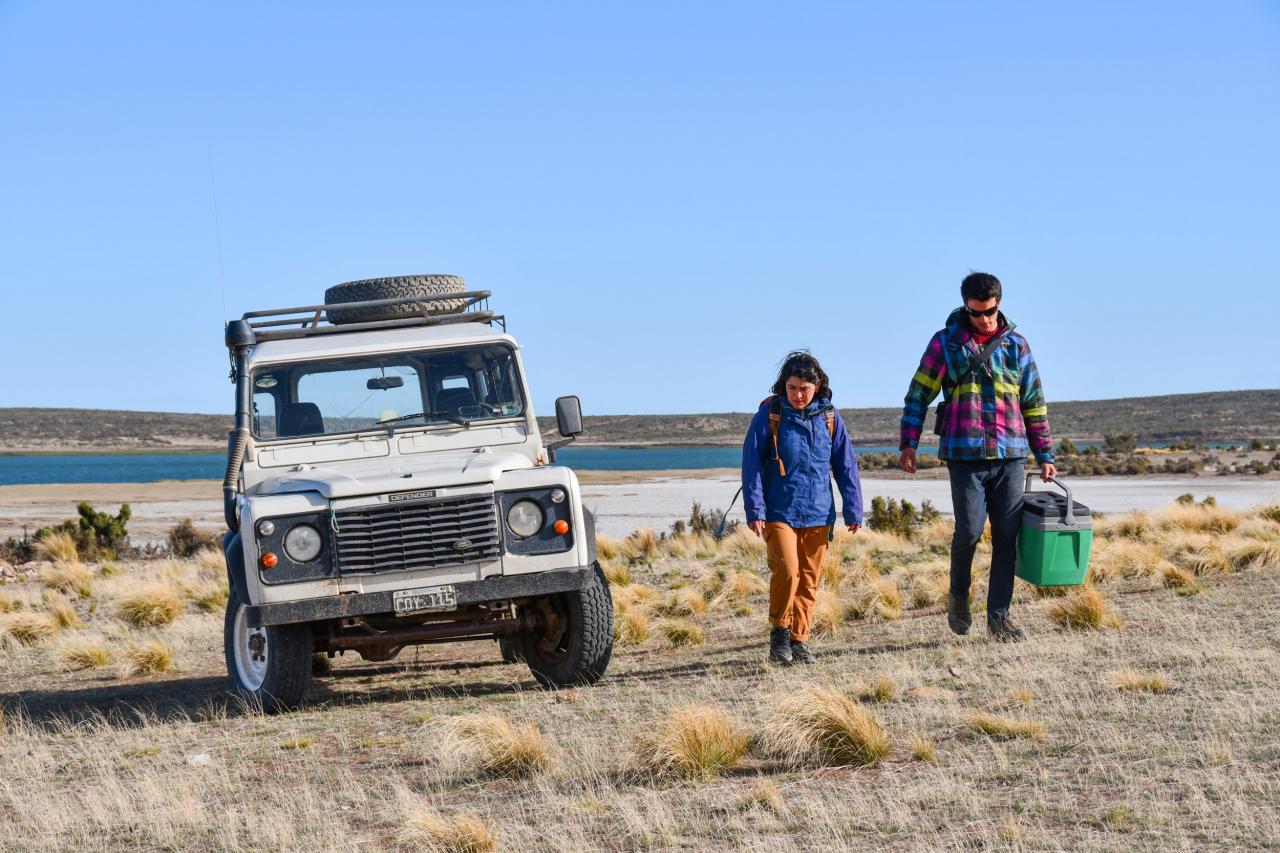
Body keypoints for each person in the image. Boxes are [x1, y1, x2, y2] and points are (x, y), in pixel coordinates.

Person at [898, 272, 1056, 642]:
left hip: (1010, 454)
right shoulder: (945, 343)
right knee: (968, 532)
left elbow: (1033, 402)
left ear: (999, 304)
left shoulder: (1016, 345)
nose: (985, 319)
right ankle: (958, 596)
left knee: (1006, 537)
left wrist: (1044, 452)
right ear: (965, 306)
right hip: (964, 453)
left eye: (991, 312)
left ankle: (999, 618)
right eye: (977, 313)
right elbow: (919, 393)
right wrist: (909, 442)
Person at [742, 351, 863, 666]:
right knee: (787, 571)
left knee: (809, 580)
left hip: (818, 513)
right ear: (784, 385)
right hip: (778, 511)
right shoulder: (770, 416)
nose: (797, 395)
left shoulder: (830, 417)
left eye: (804, 389)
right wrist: (755, 510)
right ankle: (779, 635)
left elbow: (846, 465)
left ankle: (800, 641)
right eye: (792, 387)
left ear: (817, 385)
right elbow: (752, 465)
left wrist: (854, 510)